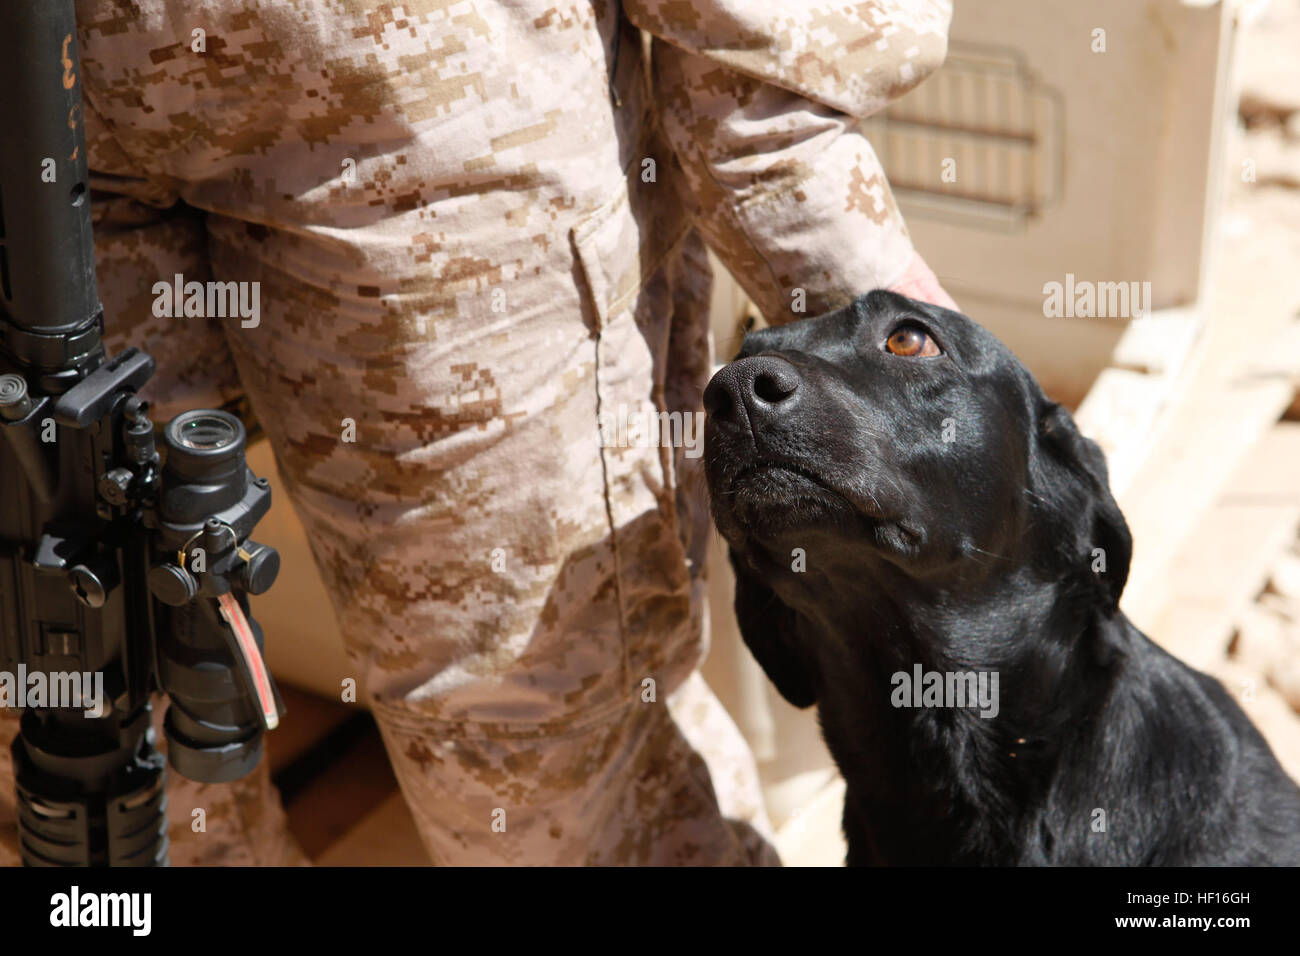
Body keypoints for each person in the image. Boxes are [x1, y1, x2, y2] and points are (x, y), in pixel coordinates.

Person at [0, 0, 955, 865]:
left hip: (439, 118)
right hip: (31, 104)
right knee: (82, 739)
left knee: (552, 771)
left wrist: (900, 356)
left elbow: (774, 89)